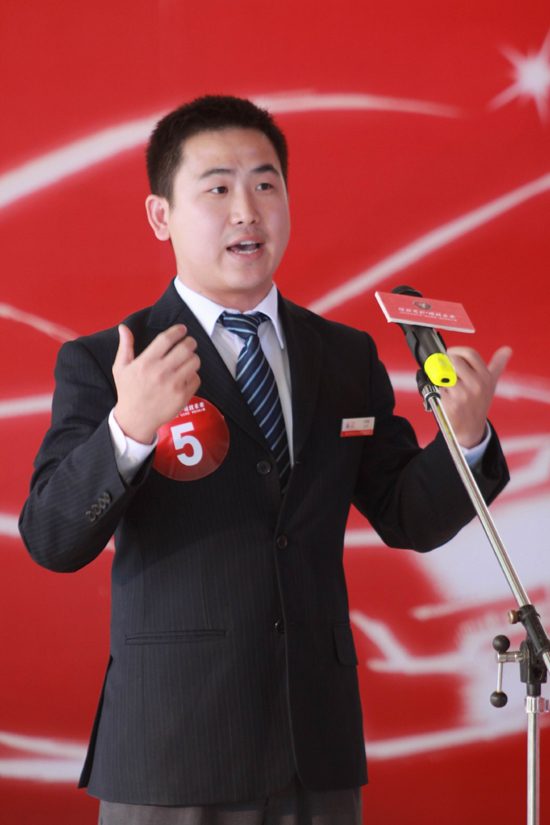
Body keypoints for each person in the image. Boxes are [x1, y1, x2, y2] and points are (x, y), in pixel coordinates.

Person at [19, 95, 510, 824]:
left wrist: (464, 441)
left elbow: (408, 515)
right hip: (173, 750)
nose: (246, 210)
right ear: (161, 215)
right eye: (217, 188)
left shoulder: (343, 356)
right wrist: (129, 427)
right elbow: (52, 539)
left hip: (316, 747)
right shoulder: (110, 360)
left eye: (265, 184)